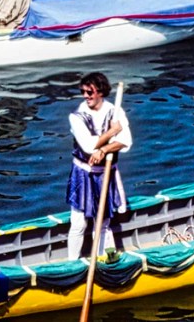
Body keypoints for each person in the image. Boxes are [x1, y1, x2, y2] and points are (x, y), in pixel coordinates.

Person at [65, 72, 132, 261]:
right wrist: (112, 132)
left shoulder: (115, 111)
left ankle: (104, 261)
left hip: (105, 174)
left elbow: (125, 141)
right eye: (83, 92)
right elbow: (87, 145)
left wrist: (103, 151)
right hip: (82, 175)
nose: (86, 96)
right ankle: (72, 263)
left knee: (102, 224)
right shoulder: (77, 116)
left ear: (100, 92)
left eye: (90, 92)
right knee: (78, 224)